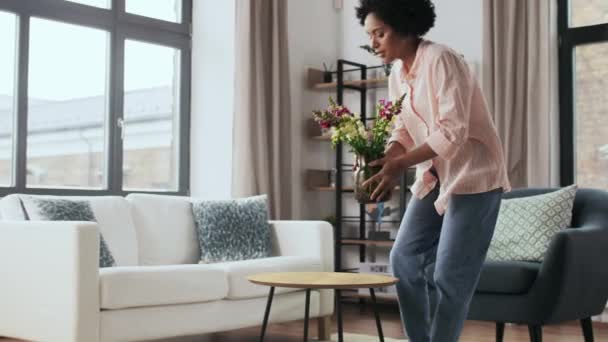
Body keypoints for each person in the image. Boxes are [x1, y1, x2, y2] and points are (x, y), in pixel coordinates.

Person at [356, 0, 511, 341]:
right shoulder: (397, 72)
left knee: (450, 276)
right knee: (404, 259)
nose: (374, 43)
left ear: (404, 24)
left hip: (474, 176)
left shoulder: (442, 59)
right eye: (370, 36)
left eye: (379, 33)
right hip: (434, 176)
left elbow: (452, 131)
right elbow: (402, 127)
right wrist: (389, 159)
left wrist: (400, 163)